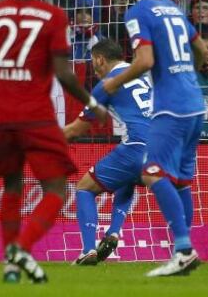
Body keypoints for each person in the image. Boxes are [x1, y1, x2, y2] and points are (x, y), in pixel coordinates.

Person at [0, 0, 107, 283]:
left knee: (12, 185)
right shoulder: (53, 16)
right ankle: (22, 249)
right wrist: (92, 103)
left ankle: (11, 264)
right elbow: (63, 73)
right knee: (55, 188)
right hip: (37, 116)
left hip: (1, 116)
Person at [102, 0, 208, 277]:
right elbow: (201, 48)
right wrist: (191, 71)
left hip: (171, 105)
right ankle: (186, 249)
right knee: (181, 181)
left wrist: (114, 81)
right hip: (195, 102)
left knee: (151, 172)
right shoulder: (172, 7)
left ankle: (184, 250)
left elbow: (145, 59)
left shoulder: (137, 12)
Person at [63, 39, 151, 265]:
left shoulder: (107, 84)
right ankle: (113, 232)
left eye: (93, 62)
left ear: (100, 59)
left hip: (137, 147)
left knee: (84, 188)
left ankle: (88, 250)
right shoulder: (143, 77)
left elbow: (75, 130)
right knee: (127, 178)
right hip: (164, 149)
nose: (94, 68)